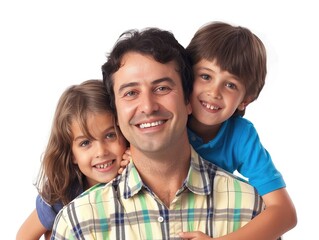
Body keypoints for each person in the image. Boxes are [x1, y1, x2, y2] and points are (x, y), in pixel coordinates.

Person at [51, 28, 265, 239]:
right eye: (131, 93)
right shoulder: (77, 224)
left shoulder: (250, 210)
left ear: (188, 100)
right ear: (116, 112)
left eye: (162, 88)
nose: (147, 107)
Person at [178, 21, 297, 239]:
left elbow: (285, 212)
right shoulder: (170, 119)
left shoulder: (240, 135)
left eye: (230, 85)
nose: (214, 92)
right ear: (187, 77)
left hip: (215, 219)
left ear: (245, 100)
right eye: (206, 76)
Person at [16, 80, 128, 240]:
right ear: (72, 153)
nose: (101, 152)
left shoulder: (136, 174)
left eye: (110, 135)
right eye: (85, 143)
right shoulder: (62, 193)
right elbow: (24, 236)